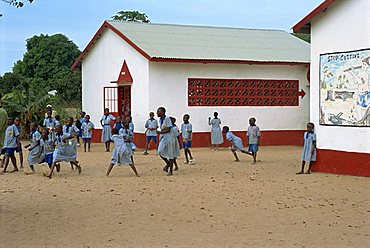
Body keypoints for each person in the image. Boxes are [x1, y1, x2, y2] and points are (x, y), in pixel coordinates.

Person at [156, 107, 177, 176]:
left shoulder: (167, 119)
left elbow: (168, 130)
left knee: (171, 154)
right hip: (164, 138)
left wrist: (159, 132)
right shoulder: (160, 120)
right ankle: (168, 163)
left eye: (158, 111)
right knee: (160, 151)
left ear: (162, 112)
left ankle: (170, 171)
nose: (157, 113)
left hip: (170, 138)